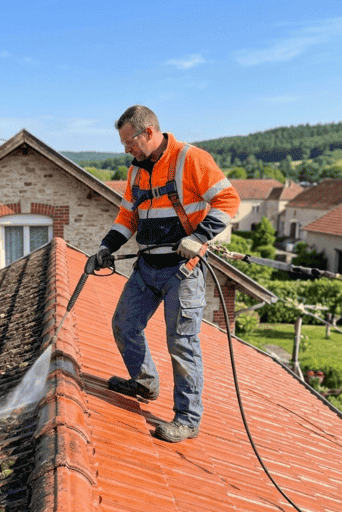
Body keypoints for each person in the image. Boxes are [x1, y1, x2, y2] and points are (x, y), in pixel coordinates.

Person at [96, 105, 239, 443]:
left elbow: (229, 200)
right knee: (124, 324)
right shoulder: (135, 173)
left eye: (130, 142)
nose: (127, 149)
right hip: (147, 268)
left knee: (182, 344)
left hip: (182, 272)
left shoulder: (190, 159)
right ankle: (144, 383)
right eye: (124, 145)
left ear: (149, 132)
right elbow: (127, 217)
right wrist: (106, 247)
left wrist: (199, 237)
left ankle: (188, 419)